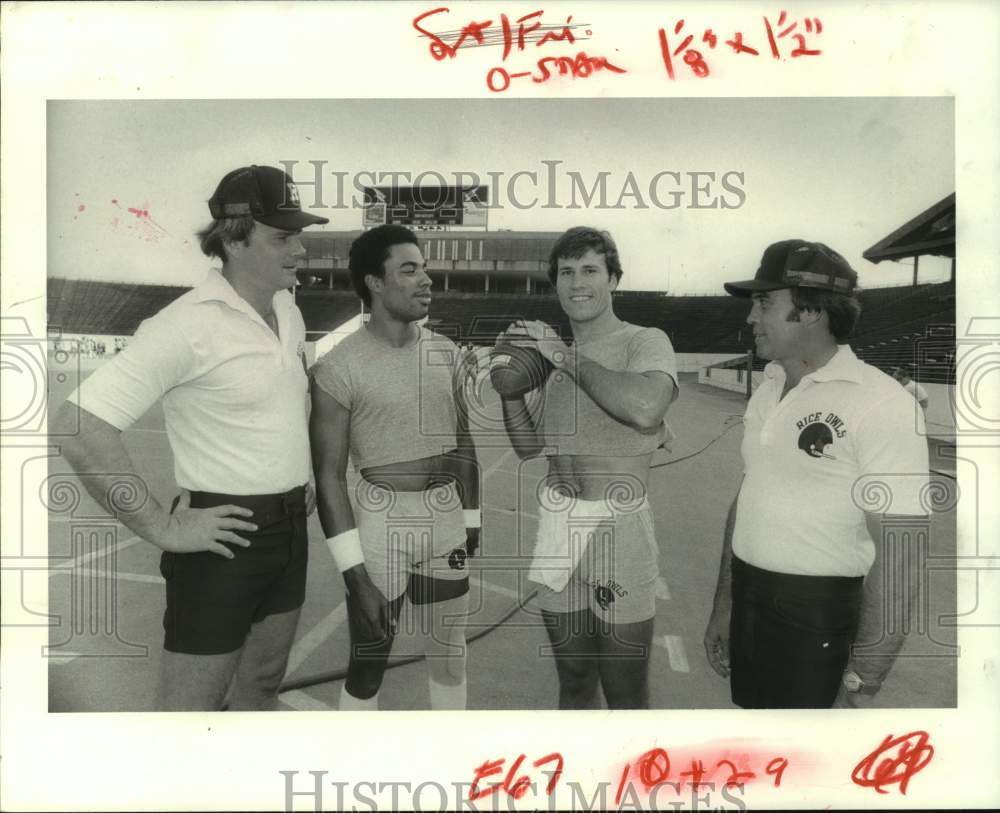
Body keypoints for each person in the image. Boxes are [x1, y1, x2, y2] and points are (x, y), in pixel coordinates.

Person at [55, 165, 329, 710]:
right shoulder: (183, 325)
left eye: (298, 234)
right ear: (233, 237)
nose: (300, 249)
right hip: (221, 539)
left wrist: (293, 474)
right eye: (283, 237)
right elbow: (78, 424)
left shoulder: (287, 309)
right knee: (188, 715)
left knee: (261, 688)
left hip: (290, 530)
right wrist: (163, 526)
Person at [704, 239, 930, 708]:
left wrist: (865, 675)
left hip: (818, 615)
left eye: (764, 302)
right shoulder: (768, 388)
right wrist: (724, 605)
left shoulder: (881, 402)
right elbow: (751, 496)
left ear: (810, 312)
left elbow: (901, 552)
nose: (750, 317)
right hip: (750, 598)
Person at [497, 226, 678, 709]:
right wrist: (510, 390)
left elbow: (645, 408)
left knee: (624, 689)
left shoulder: (643, 340)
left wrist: (560, 353)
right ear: (555, 283)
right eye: (566, 272)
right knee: (574, 678)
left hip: (617, 530)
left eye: (590, 270)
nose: (577, 282)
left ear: (614, 279)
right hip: (559, 526)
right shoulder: (553, 362)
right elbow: (528, 446)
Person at [310, 224, 480, 711]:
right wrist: (354, 576)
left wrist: (470, 518)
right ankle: (355, 773)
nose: (426, 279)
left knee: (450, 658)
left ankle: (453, 768)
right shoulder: (337, 367)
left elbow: (464, 440)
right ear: (375, 283)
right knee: (368, 664)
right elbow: (328, 477)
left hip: (446, 519)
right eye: (409, 269)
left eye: (424, 267)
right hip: (384, 524)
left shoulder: (447, 353)